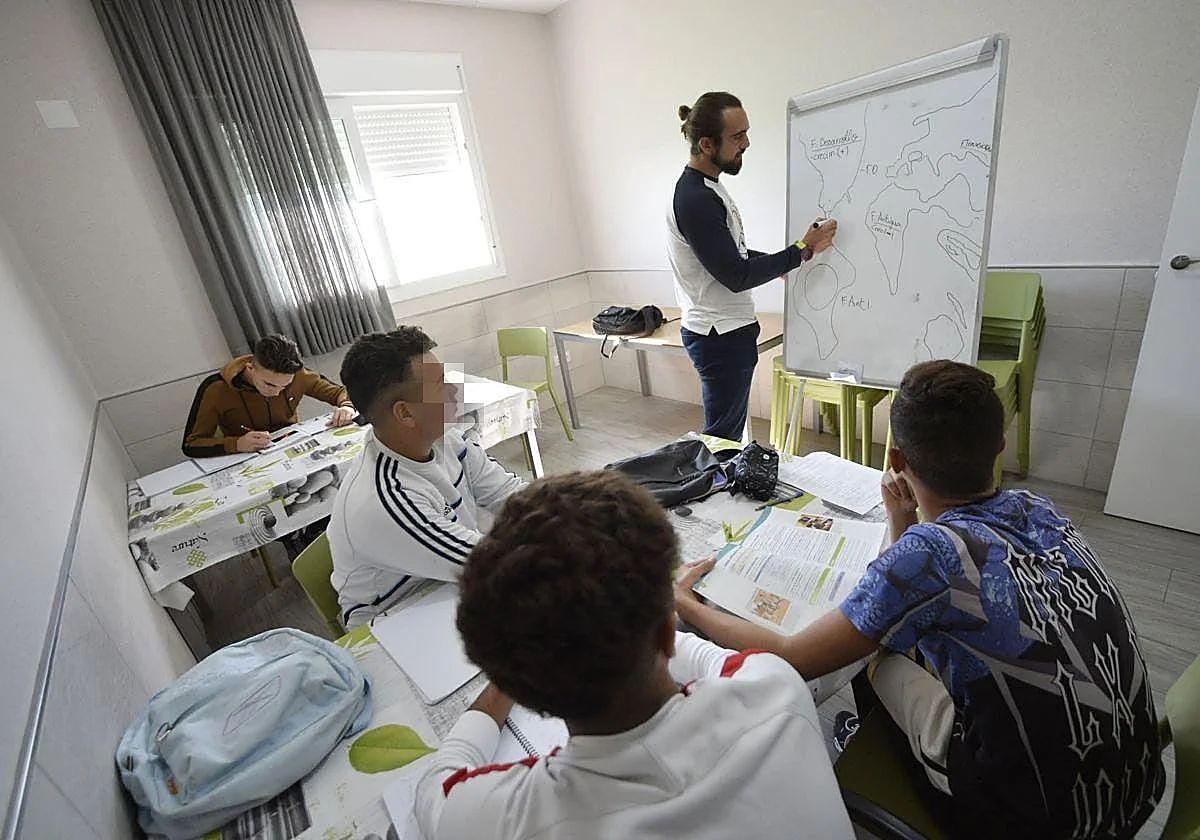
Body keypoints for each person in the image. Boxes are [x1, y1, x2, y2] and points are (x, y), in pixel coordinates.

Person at [675, 360, 1165, 837]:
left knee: (876, 651)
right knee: (913, 630)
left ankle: (889, 748)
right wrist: (900, 520)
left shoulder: (927, 556)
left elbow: (793, 658)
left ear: (897, 461)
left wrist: (687, 603)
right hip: (1134, 785)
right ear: (998, 447)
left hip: (1028, 818)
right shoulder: (1037, 509)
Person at [413, 470, 853, 840]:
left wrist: (508, 676)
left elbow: (435, 790)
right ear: (667, 628)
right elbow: (704, 655)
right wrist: (663, 605)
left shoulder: (514, 820)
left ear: (520, 688)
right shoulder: (774, 687)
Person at [328, 327, 524, 628]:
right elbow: (490, 564)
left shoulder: (446, 441)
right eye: (441, 385)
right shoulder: (385, 498)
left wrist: (576, 513)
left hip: (448, 583)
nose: (455, 392)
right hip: (393, 622)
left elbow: (512, 496)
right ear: (405, 413)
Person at [668, 91, 837, 441]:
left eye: (746, 132)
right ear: (706, 144)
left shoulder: (707, 188)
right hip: (719, 335)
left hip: (726, 332)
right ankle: (714, 489)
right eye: (737, 136)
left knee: (727, 435)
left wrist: (779, 263)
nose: (746, 143)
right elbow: (735, 274)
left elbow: (734, 255)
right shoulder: (696, 198)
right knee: (721, 439)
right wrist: (801, 250)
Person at [182, 334, 356, 457]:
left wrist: (347, 406)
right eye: (269, 384)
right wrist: (236, 444)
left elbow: (341, 392)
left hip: (292, 447)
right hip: (246, 456)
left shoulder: (299, 375)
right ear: (251, 368)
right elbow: (191, 444)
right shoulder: (216, 388)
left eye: (285, 386)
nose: (276, 392)